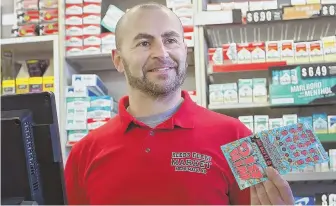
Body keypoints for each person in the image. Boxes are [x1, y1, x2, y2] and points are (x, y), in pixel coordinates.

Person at [64, 2, 295, 205]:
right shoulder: (84, 153)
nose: (161, 53)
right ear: (118, 60)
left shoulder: (236, 138)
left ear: (185, 50)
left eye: (171, 40)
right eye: (144, 43)